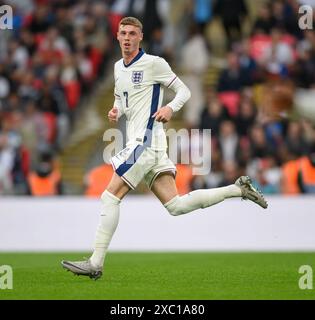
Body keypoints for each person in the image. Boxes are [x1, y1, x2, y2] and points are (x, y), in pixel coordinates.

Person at [61, 17, 267, 280]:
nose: (127, 37)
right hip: (150, 144)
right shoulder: (117, 67)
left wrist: (171, 107)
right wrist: (117, 109)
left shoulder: (154, 63)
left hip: (145, 141)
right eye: (123, 33)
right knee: (176, 206)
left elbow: (184, 91)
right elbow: (121, 99)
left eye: (132, 33)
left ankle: (96, 263)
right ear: (117, 36)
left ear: (140, 37)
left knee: (109, 196)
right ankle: (237, 188)